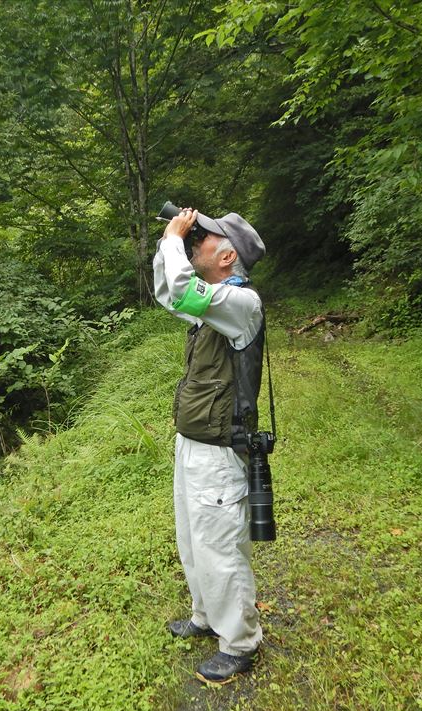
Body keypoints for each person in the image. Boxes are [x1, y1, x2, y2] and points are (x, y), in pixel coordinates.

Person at [153, 205, 267, 684]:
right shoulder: (210, 307)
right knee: (193, 538)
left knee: (220, 545)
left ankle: (240, 642)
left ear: (225, 259)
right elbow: (166, 292)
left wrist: (171, 239)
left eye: (201, 239)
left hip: (221, 448)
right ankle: (205, 615)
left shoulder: (242, 305)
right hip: (194, 441)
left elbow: (181, 287)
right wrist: (170, 242)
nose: (192, 242)